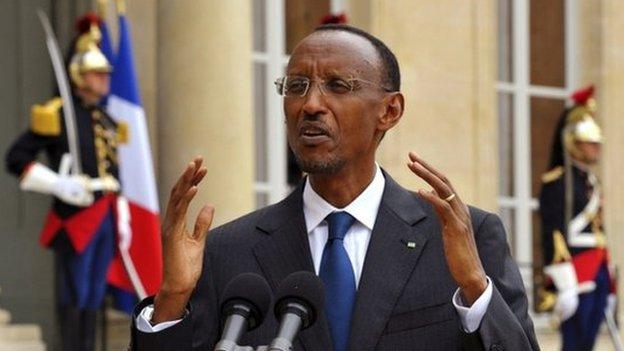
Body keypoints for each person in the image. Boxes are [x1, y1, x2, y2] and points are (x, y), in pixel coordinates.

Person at [130, 24, 538, 350]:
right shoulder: (226, 252)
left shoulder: (462, 238)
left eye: (338, 86)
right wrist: (171, 299)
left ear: (390, 110)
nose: (310, 105)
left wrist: (474, 288)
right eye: (296, 86)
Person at [5, 14, 126, 351]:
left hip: (106, 211)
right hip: (76, 215)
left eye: (105, 74)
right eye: (97, 74)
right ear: (78, 75)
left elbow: (115, 171)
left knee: (94, 294)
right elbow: (16, 159)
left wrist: (124, 210)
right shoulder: (57, 113)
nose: (105, 80)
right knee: (74, 292)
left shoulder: (105, 119)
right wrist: (59, 184)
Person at [539, 86, 617, 351]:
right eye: (590, 142)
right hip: (576, 272)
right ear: (572, 140)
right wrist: (564, 282)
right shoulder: (557, 182)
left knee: (589, 342)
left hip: (597, 270)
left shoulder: (590, 182)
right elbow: (553, 232)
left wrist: (610, 280)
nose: (596, 148)